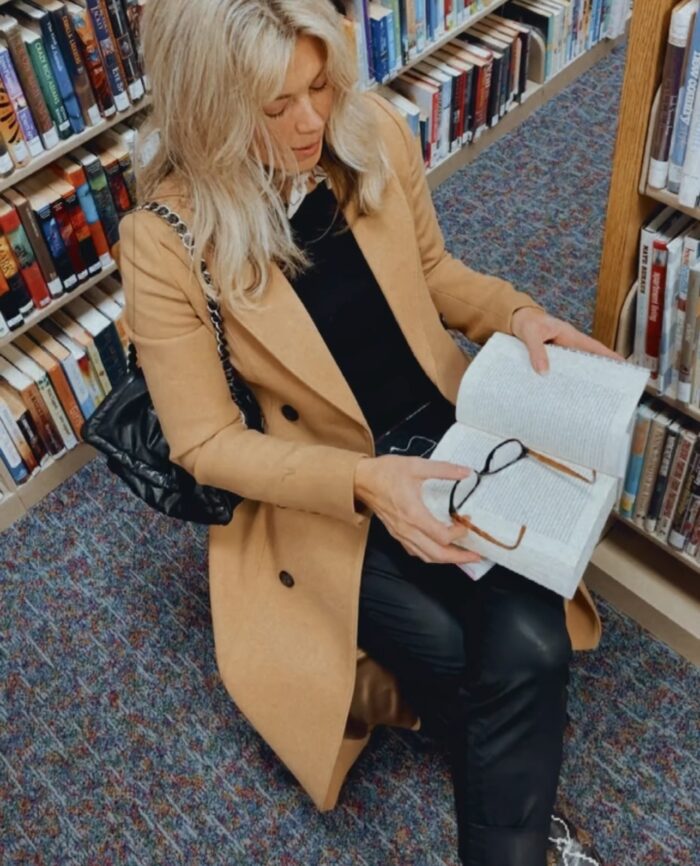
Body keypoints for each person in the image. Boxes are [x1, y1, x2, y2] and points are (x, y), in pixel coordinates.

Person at [119, 2, 618, 864]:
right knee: (468, 650)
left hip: (451, 439)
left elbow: (432, 273)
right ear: (209, 108)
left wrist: (518, 314)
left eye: (318, 84)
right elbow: (204, 445)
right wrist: (364, 481)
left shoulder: (372, 129)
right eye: (275, 107)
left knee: (527, 647)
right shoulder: (164, 242)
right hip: (321, 490)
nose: (311, 120)